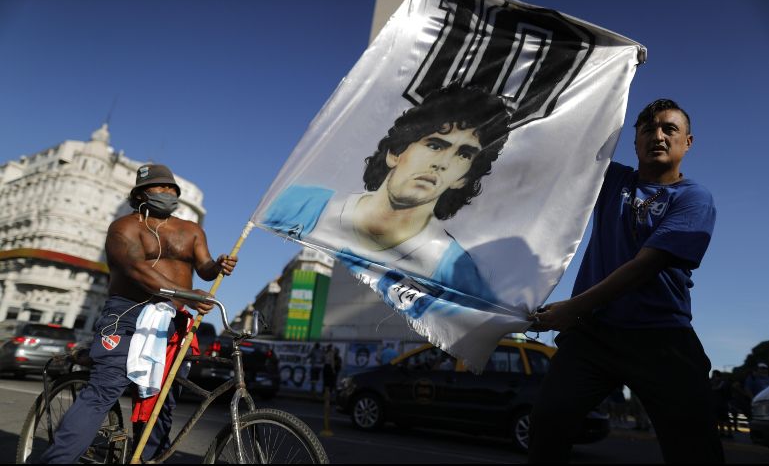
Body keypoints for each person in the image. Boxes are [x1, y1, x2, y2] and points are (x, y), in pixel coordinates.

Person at [527, 99, 724, 463]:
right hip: (593, 333)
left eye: (670, 129)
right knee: (548, 422)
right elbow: (570, 139)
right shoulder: (611, 179)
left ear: (688, 142)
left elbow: (644, 266)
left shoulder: (695, 199)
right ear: (634, 142)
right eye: (647, 129)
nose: (658, 136)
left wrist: (572, 307)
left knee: (695, 447)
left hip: (661, 336)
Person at [41, 164, 237, 463]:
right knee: (104, 391)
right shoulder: (124, 228)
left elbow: (204, 268)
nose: (168, 193)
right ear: (141, 194)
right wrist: (186, 294)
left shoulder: (191, 230)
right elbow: (135, 269)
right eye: (160, 188)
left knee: (162, 399)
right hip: (126, 314)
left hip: (173, 320)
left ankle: (143, 459)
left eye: (172, 189)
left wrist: (218, 265)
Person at [261, 85, 511, 302]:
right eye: (435, 145)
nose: (443, 163)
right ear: (395, 152)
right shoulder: (300, 205)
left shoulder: (458, 273)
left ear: (464, 178)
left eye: (464, 154)